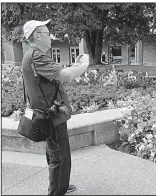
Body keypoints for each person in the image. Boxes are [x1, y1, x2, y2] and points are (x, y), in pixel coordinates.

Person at [22, 19, 89, 195]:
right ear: (37, 35)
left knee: (57, 153)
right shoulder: (36, 56)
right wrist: (84, 66)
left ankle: (62, 185)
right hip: (51, 117)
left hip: (50, 114)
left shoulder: (34, 55)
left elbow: (58, 74)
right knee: (59, 157)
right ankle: (57, 191)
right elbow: (66, 76)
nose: (50, 36)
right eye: (46, 33)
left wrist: (75, 65)